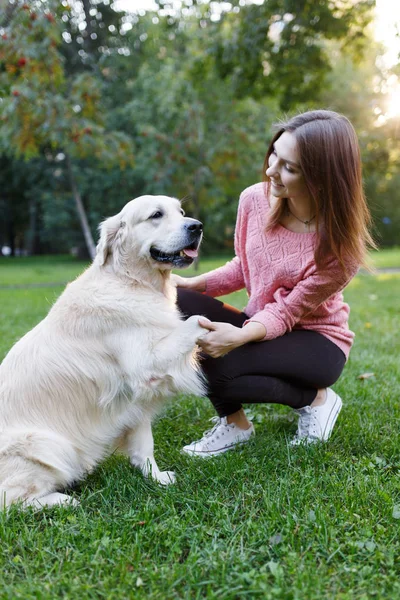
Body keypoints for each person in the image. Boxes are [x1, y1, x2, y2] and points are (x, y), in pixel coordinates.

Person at [173, 109, 375, 457]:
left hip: (317, 340)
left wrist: (238, 336)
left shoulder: (340, 247)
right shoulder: (254, 198)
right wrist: (193, 285)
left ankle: (317, 400)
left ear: (323, 178)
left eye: (288, 168)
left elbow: (287, 310)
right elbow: (244, 266)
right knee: (175, 301)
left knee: (217, 369)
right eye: (274, 155)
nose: (270, 170)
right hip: (261, 322)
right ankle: (235, 425)